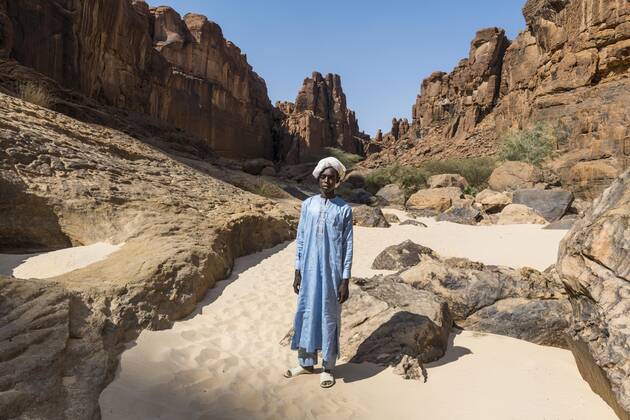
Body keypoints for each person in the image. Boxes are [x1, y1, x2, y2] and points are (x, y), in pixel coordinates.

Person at [284, 156, 354, 388]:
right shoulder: (308, 205)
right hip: (309, 270)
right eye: (324, 177)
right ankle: (305, 363)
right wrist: (297, 269)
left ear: (337, 181)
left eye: (331, 178)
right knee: (306, 312)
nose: (327, 181)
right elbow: (301, 239)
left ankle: (328, 367)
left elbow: (348, 246)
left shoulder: (344, 210)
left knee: (329, 316)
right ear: (318, 178)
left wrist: (345, 279)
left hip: (333, 273)